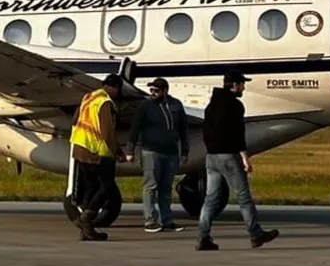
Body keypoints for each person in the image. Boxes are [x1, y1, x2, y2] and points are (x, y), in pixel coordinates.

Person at [196, 70, 279, 250]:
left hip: (211, 157)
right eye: (241, 84)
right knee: (244, 198)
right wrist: (245, 157)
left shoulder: (211, 106)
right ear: (233, 85)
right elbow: (238, 133)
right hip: (228, 156)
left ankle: (203, 237)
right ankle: (256, 234)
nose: (243, 87)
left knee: (211, 199)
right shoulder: (235, 106)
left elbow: (206, 132)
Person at [126, 77, 189, 233]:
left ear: (165, 91)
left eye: (156, 90)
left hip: (171, 152)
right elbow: (135, 128)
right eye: (151, 90)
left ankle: (167, 220)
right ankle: (150, 220)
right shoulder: (145, 106)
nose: (153, 93)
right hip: (151, 151)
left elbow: (183, 129)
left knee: (166, 187)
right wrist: (130, 149)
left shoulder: (176, 105)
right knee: (151, 186)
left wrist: (185, 151)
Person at [69, 73, 124, 241]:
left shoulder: (88, 97)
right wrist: (117, 152)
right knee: (107, 187)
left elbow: (74, 120)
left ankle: (87, 230)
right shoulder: (105, 103)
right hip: (96, 151)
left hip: (80, 148)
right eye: (118, 91)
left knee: (91, 186)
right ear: (114, 88)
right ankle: (87, 217)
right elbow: (107, 132)